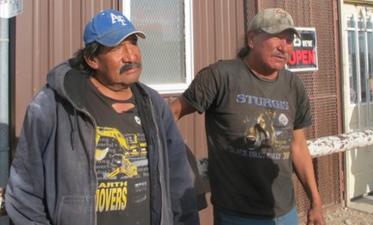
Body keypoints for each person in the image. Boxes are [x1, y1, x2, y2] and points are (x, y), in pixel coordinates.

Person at [5, 9, 199, 225]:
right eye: (117, 47)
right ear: (92, 59)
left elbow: (179, 181)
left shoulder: (153, 105)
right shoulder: (54, 104)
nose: (131, 55)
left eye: (133, 43)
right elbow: (25, 188)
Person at [170, 8, 325, 225]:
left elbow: (298, 147)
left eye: (289, 40)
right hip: (236, 215)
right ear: (252, 39)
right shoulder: (220, 76)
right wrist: (174, 155)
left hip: (285, 212)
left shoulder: (294, 86)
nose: (284, 47)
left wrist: (316, 202)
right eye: (276, 37)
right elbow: (172, 113)